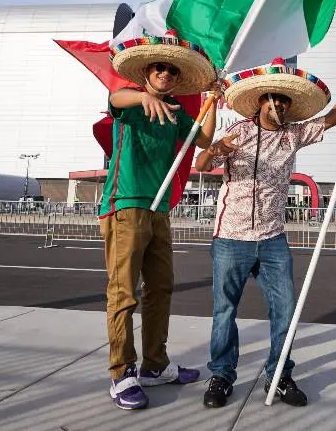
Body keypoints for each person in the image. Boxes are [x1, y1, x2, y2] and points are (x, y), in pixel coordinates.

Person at [196, 58, 336, 409]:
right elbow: (202, 165)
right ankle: (221, 375)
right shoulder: (238, 133)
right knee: (224, 311)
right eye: (273, 99)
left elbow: (334, 117)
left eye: (284, 101)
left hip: (273, 239)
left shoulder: (293, 135)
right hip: (231, 237)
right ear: (260, 102)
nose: (279, 105)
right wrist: (216, 150)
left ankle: (279, 374)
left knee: (285, 310)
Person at [101, 31, 219, 410]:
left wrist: (213, 101)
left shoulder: (177, 113)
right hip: (126, 205)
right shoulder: (131, 101)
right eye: (159, 67)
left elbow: (203, 140)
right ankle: (122, 373)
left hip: (159, 209)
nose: (165, 73)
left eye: (171, 69)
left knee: (161, 287)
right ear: (147, 72)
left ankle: (155, 365)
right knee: (124, 292)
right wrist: (143, 97)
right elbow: (114, 99)